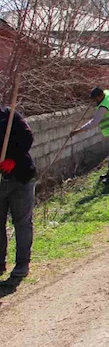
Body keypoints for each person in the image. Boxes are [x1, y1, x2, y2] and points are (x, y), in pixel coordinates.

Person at [0, 105, 36, 278]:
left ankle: (22, 264)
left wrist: (13, 158)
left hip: (20, 178)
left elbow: (27, 137)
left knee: (22, 222)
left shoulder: (9, 116)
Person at [71, 87, 109, 184]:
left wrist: (79, 130)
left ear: (101, 96)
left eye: (96, 99)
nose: (94, 101)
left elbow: (94, 122)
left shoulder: (104, 107)